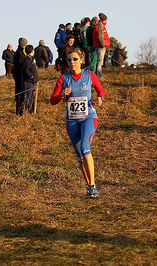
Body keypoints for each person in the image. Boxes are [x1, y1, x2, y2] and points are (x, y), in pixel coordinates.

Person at [50, 48, 105, 198]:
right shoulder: (63, 78)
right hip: (72, 120)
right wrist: (62, 95)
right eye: (69, 60)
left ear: (81, 60)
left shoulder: (90, 75)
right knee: (80, 154)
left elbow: (101, 90)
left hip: (89, 117)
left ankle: (93, 186)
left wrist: (100, 98)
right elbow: (52, 100)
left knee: (85, 147)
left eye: (75, 59)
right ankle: (89, 186)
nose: (72, 62)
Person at [21, 45, 39, 114]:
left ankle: (31, 111)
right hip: (27, 82)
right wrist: (32, 77)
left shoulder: (30, 59)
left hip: (31, 82)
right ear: (32, 51)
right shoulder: (27, 60)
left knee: (31, 97)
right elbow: (26, 70)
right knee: (28, 98)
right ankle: (27, 112)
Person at [93, 13, 110, 78]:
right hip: (100, 46)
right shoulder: (100, 25)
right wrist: (102, 45)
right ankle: (99, 76)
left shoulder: (101, 25)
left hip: (99, 45)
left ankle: (99, 74)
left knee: (100, 61)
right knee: (100, 61)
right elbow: (100, 36)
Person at [13, 37, 27, 116]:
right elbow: (21, 62)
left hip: (16, 73)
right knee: (20, 93)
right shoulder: (20, 52)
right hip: (19, 74)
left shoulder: (17, 51)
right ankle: (20, 111)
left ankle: (19, 110)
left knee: (19, 93)